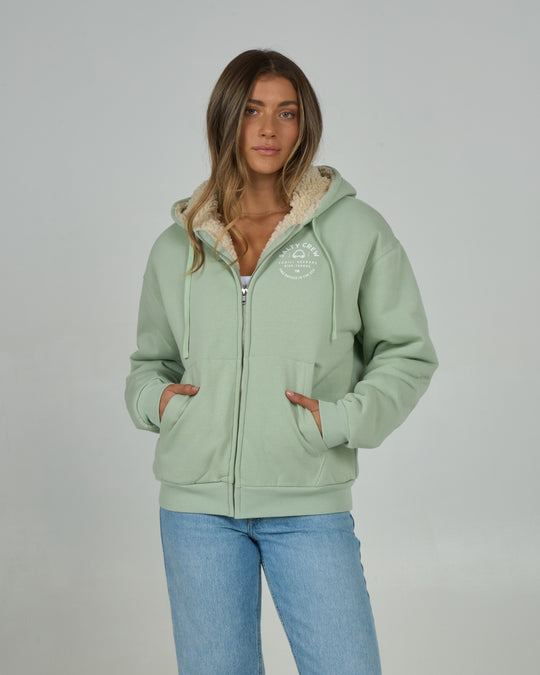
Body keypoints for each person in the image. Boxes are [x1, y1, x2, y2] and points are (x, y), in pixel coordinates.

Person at [125, 49, 438, 675]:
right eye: (252, 110)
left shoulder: (355, 231)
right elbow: (150, 361)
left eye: (286, 112)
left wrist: (340, 420)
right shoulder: (177, 244)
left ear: (304, 124)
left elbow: (407, 352)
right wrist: (155, 402)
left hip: (307, 501)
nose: (269, 128)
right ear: (225, 118)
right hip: (197, 512)